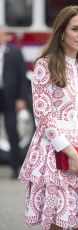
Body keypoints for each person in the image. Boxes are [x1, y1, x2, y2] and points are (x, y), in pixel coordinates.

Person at [19, 5, 78, 230]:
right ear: (62, 33)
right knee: (58, 225)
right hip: (54, 152)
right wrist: (69, 151)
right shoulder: (44, 66)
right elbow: (44, 117)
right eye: (75, 29)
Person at [0, 26, 27, 179]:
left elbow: (22, 77)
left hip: (9, 96)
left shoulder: (14, 52)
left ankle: (16, 166)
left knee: (12, 129)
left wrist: (21, 97)